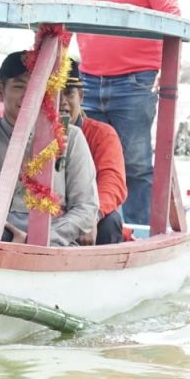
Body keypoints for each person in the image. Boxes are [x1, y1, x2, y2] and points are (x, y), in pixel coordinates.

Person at [58, 0, 179, 226]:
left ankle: (138, 232)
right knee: (84, 156)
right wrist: (52, 77)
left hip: (136, 81)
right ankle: (91, 226)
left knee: (136, 163)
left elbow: (172, 20)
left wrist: (168, 74)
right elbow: (60, 31)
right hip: (87, 85)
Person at [0, 51, 99, 246]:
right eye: (19, 86)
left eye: (37, 87)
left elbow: (86, 208)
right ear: (0, 91)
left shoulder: (71, 136)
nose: (29, 95)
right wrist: (23, 169)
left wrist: (40, 238)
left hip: (53, 242)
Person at [61, 59, 127, 245]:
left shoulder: (102, 134)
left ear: (80, 96)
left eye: (68, 93)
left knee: (110, 222)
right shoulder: (30, 131)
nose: (62, 102)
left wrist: (90, 216)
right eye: (53, 93)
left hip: (88, 211)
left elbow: (112, 182)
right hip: (44, 209)